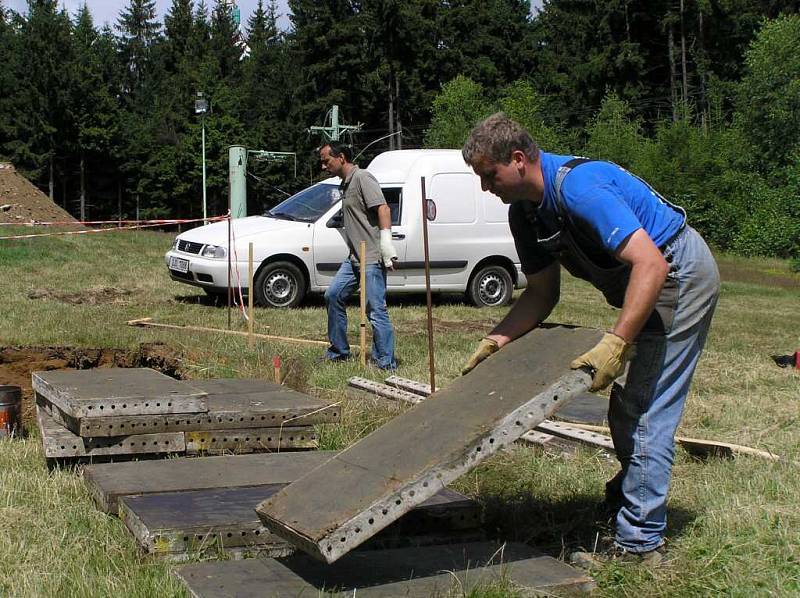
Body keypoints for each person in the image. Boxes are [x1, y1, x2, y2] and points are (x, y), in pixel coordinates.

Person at [460, 113, 720, 565]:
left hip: (678, 274)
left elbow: (652, 265)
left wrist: (617, 343)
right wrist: (496, 339)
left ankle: (640, 545)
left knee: (645, 408)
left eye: (489, 175)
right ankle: (632, 496)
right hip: (648, 278)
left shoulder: (581, 188)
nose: (486, 187)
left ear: (518, 160)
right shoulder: (525, 215)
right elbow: (542, 293)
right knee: (626, 407)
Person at [319, 142, 398, 370]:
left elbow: (383, 209)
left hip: (371, 257)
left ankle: (385, 362)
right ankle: (339, 351)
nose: (324, 166)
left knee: (375, 310)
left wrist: (386, 246)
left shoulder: (363, 178)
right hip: (354, 258)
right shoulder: (345, 184)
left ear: (341, 157)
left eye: (327, 160)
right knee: (333, 296)